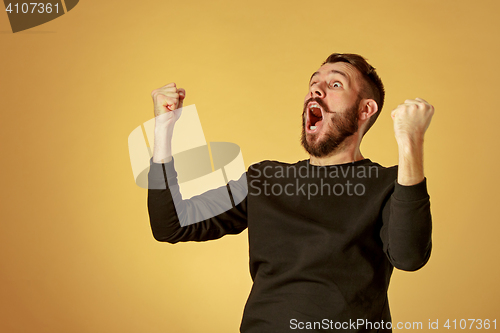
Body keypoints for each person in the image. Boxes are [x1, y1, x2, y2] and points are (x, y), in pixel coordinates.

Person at [147, 53, 434, 332]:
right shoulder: (265, 179)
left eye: (335, 85)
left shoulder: (388, 185)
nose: (316, 91)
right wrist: (163, 130)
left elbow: (409, 257)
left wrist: (411, 142)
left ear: (364, 110)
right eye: (313, 83)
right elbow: (171, 225)